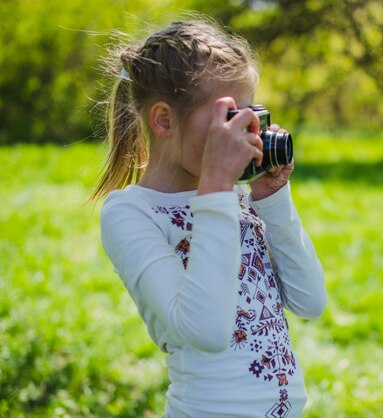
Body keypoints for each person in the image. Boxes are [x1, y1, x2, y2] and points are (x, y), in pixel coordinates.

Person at [92, 18, 326, 418]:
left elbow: (309, 300)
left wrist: (271, 200)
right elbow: (206, 331)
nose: (245, 131)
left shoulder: (231, 197)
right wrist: (216, 185)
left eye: (249, 113)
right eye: (229, 117)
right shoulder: (132, 214)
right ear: (164, 120)